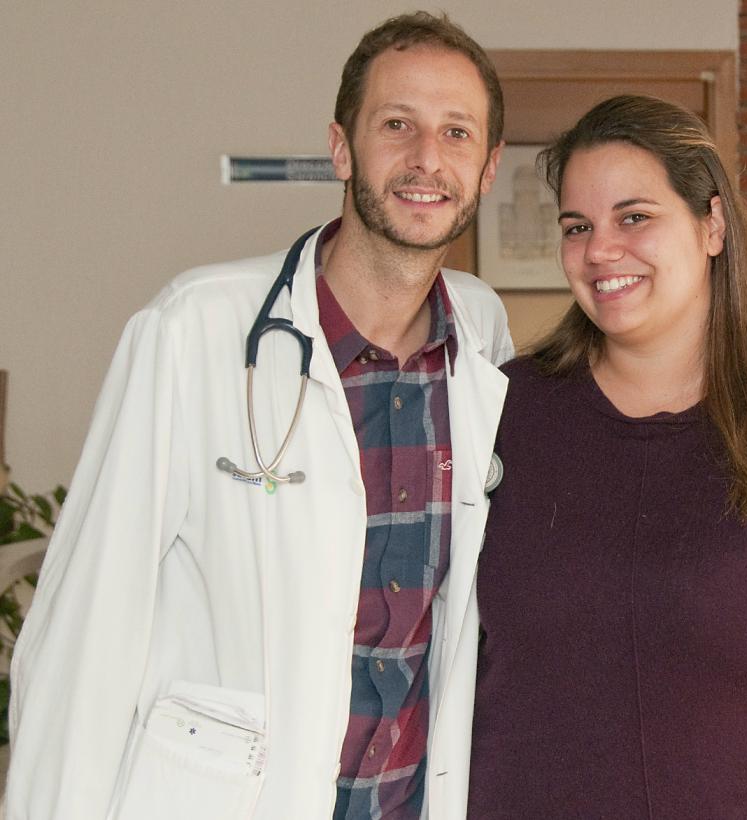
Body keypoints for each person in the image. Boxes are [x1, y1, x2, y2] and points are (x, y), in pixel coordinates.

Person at [8, 12, 511, 820]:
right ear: (341, 148)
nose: (427, 157)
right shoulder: (192, 328)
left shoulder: (480, 336)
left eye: (456, 132)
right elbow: (82, 635)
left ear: (487, 169)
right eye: (396, 124)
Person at [468, 95, 747, 820]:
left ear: (712, 224)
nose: (599, 250)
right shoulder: (503, 411)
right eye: (577, 227)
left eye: (634, 217)